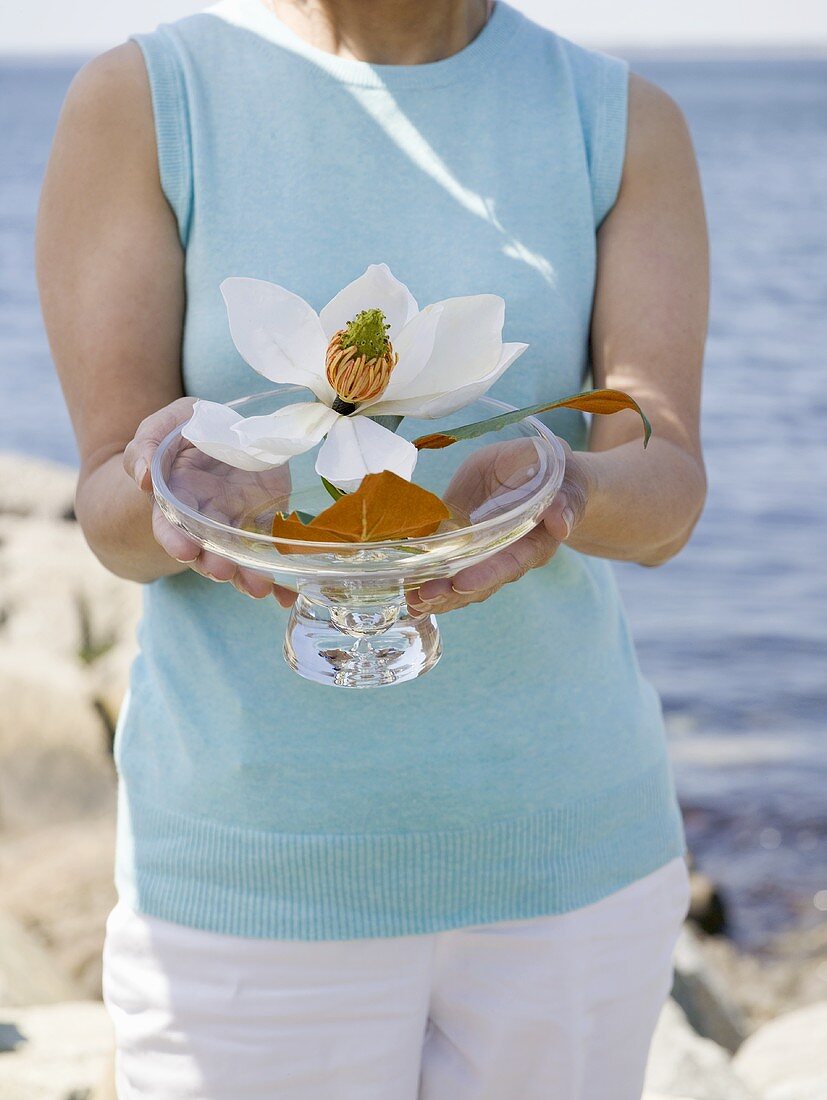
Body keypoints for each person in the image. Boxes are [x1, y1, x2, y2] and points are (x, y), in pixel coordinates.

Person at [36, 0, 709, 1096]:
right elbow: (113, 515)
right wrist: (173, 481)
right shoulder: (146, 102)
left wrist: (560, 488)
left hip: (566, 861)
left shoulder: (619, 120)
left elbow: (667, 483)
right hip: (252, 871)